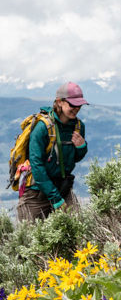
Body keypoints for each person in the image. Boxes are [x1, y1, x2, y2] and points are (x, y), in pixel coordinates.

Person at [17, 82, 89, 222]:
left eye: (79, 105)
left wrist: (81, 148)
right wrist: (54, 197)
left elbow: (73, 159)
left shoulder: (79, 126)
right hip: (36, 192)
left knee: (78, 230)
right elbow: (36, 165)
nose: (76, 109)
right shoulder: (42, 128)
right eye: (72, 105)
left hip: (63, 189)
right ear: (59, 102)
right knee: (28, 240)